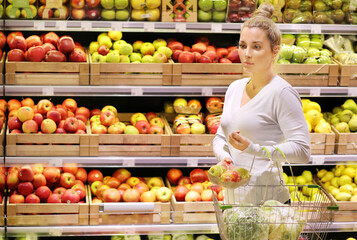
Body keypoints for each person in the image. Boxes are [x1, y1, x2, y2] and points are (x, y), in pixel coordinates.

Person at [212, 3, 311, 204]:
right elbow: (220, 136)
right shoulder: (234, 88)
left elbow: (302, 151)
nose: (247, 54)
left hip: (269, 204)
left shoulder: (281, 93)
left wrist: (255, 149)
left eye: (256, 47)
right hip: (233, 200)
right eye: (242, 45)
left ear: (275, 51)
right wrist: (225, 156)